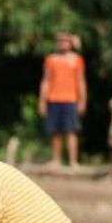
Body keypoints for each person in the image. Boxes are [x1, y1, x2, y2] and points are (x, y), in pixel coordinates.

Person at [39, 32, 87, 167]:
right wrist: (42, 101)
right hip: (53, 98)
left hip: (71, 99)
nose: (63, 43)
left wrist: (82, 100)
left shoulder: (77, 59)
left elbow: (81, 81)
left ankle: (73, 161)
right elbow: (46, 80)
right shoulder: (51, 59)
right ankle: (56, 160)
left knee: (72, 131)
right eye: (60, 41)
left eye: (66, 41)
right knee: (55, 132)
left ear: (70, 43)